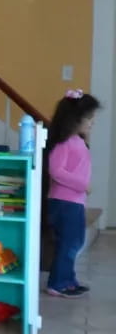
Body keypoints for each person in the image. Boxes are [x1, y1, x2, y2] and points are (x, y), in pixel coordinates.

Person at [44, 89, 101, 298]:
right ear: (74, 120)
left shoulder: (76, 141)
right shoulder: (65, 142)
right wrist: (82, 185)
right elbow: (56, 170)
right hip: (64, 202)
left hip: (73, 201)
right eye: (89, 118)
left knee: (74, 241)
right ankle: (58, 283)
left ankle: (68, 280)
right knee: (69, 243)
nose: (92, 122)